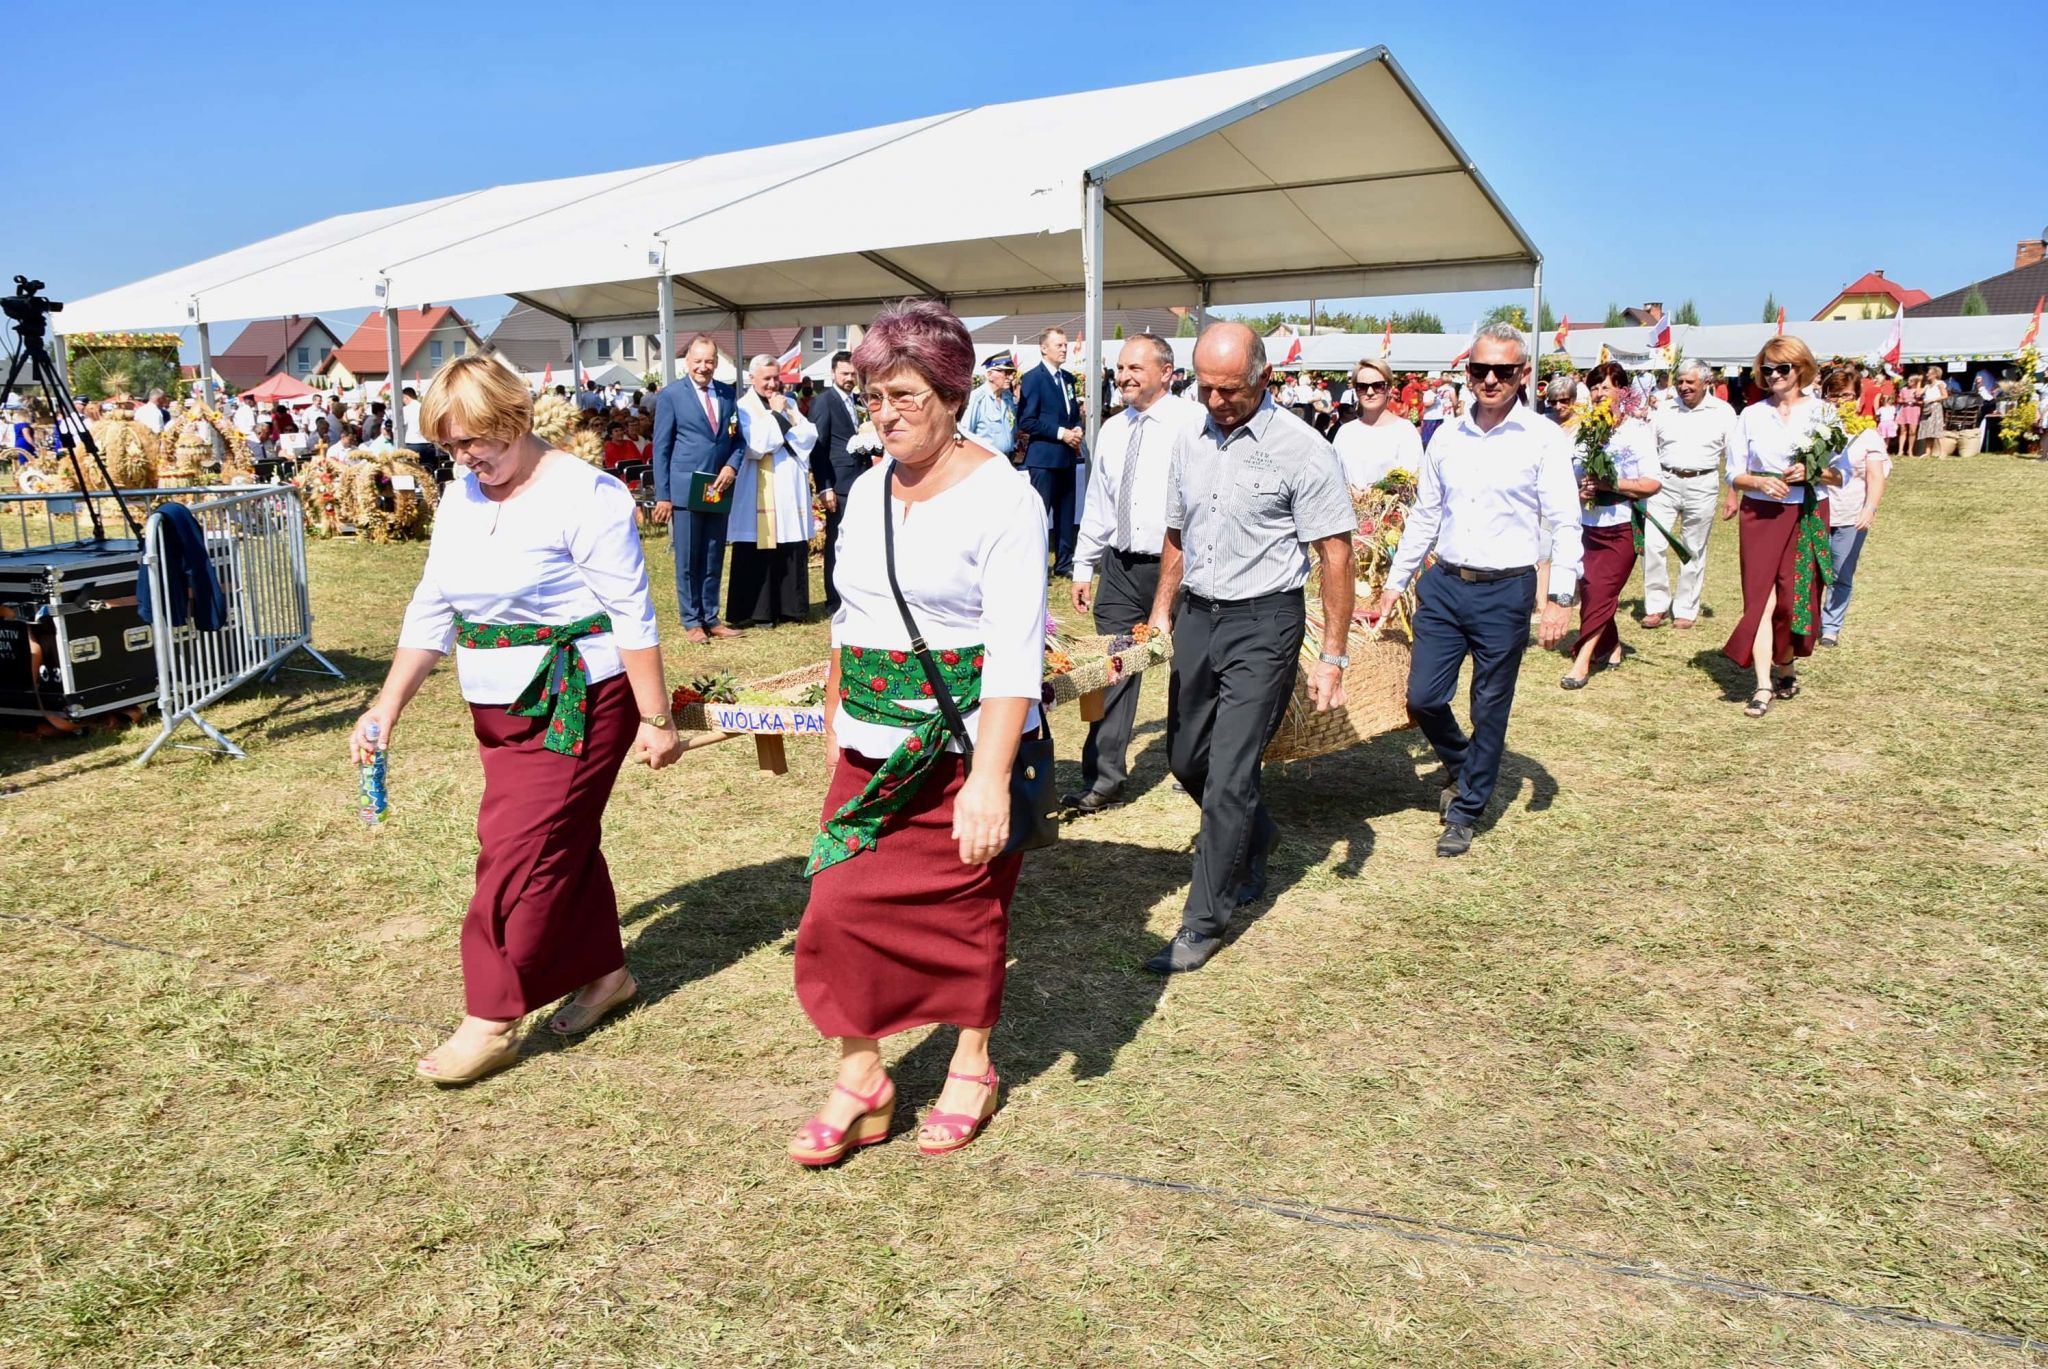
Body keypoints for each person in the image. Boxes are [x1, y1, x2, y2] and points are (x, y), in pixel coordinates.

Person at [350, 355, 681, 1086]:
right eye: (452, 447)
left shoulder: (586, 494)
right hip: (498, 707)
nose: (467, 459)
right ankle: (606, 974)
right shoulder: (462, 497)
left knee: (514, 855)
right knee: (558, 840)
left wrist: (655, 717)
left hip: (580, 700)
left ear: (519, 419)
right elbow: (433, 604)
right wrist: (386, 705)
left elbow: (634, 612)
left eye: (478, 442)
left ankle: (492, 1016)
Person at [789, 300, 1046, 1165]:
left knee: (970, 911)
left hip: (964, 746)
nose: (886, 413)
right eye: (872, 396)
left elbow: (1014, 651)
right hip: (869, 743)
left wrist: (989, 779)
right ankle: (863, 1074)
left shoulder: (1005, 497)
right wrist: (836, 714)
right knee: (833, 907)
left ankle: (971, 1063)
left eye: (905, 395)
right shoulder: (864, 490)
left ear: (953, 394)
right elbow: (847, 614)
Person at [1143, 322, 1355, 973]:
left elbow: (1335, 555)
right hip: (1200, 617)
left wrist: (1333, 656)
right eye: (1204, 387)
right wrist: (1161, 608)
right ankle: (1258, 835)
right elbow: (1178, 531)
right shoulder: (1190, 438)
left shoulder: (1303, 449)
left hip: (1265, 623)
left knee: (1232, 772)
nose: (1215, 401)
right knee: (1186, 760)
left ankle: (1203, 921)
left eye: (1229, 391)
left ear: (1266, 378)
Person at [1376, 322, 1581, 858]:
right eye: (1479, 369)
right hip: (1443, 585)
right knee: (1422, 697)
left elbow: (1565, 522)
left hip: (1506, 590)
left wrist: (1560, 597)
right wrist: (1393, 586)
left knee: (1490, 705)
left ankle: (1466, 807)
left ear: (1523, 374)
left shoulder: (1542, 438)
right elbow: (1425, 516)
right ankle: (1466, 763)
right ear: (1466, 372)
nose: (1490, 380)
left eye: (1503, 371)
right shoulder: (1445, 434)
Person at [1064, 334, 1205, 814]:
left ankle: (1192, 766)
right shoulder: (1113, 429)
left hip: (1182, 564)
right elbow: (1100, 503)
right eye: (1120, 368)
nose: (1123, 377)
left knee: (1187, 671)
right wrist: (1084, 564)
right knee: (1111, 668)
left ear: (1167, 372)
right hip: (1121, 568)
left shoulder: (1194, 424)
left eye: (1134, 368)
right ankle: (1103, 780)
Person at [1719, 336, 1852, 717]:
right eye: (1767, 369)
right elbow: (1734, 473)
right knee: (1760, 600)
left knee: (1797, 599)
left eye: (1782, 368)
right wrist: (1759, 482)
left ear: (1801, 369)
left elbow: (1841, 475)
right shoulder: (1751, 415)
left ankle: (1787, 662)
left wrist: (1814, 471)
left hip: (1807, 513)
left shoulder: (1825, 414)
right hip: (1760, 515)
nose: (1774, 375)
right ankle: (1763, 684)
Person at [1560, 362, 1661, 689]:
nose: (1599, 393)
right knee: (1590, 590)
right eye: (1594, 387)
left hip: (1621, 524)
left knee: (1602, 590)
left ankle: (1582, 661)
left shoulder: (1636, 431)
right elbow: (1573, 474)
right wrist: (1582, 488)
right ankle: (1611, 645)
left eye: (1605, 386)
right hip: (1588, 525)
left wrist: (1611, 483)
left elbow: (1652, 482)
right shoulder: (1584, 430)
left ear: (1622, 390)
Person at [650, 334, 744, 642]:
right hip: (684, 488)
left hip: (717, 486)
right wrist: (663, 496)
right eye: (698, 361)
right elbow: (660, 448)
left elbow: (738, 438)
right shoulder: (671, 395)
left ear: (717, 362)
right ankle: (692, 621)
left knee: (713, 553)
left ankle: (711, 616)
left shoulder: (728, 394)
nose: (704, 367)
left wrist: (731, 466)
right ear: (687, 361)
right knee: (688, 557)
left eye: (710, 361)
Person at [1641, 356, 1740, 630]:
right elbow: (1649, 449)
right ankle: (1656, 605)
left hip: (1702, 483)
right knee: (1653, 544)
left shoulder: (1723, 412)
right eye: (1680, 381)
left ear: (1707, 382)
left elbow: (1733, 457)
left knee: (1693, 548)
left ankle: (1685, 608)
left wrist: (1732, 494)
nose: (1683, 387)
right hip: (1665, 482)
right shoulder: (1664, 410)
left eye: (1690, 382)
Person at [725, 355, 817, 627]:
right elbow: (756, 444)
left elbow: (809, 435)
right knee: (758, 548)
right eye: (767, 379)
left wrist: (780, 425)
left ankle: (791, 608)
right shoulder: (743, 406)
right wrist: (779, 420)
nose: (773, 384)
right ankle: (758, 611)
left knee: (789, 543)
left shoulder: (789, 402)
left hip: (788, 484)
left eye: (776, 378)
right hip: (758, 487)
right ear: (752, 378)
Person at [1817, 365, 1889, 647]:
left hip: (1850, 514)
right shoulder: (1816, 431)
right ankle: (1808, 622)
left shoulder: (1867, 435)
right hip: (1817, 510)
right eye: (1833, 395)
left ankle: (1831, 626)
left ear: (1858, 398)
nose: (1840, 402)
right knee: (1813, 568)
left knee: (1839, 570)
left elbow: (1875, 475)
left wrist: (1869, 509)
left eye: (1846, 395)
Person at [1016, 327, 1086, 578]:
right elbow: (1027, 420)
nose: (1064, 349)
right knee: (1039, 514)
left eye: (1066, 345)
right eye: (1059, 345)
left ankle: (1064, 563)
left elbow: (1073, 414)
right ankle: (1034, 562)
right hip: (1044, 458)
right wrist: (1061, 433)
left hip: (1066, 456)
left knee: (1067, 512)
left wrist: (1077, 428)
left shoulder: (1068, 378)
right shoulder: (1034, 378)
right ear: (1044, 348)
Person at [809, 349, 866, 613]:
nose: (849, 378)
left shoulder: (856, 401)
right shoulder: (824, 401)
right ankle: (834, 599)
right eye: (845, 373)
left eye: (853, 373)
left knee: (855, 541)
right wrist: (825, 486)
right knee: (835, 542)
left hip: (858, 479)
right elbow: (818, 446)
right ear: (832, 373)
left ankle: (853, 594)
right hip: (838, 483)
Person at [1331, 357, 1423, 489]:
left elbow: (1412, 480)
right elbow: (1334, 478)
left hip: (1392, 507)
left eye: (1378, 386)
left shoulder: (1405, 431)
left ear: (1389, 389)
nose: (1369, 392)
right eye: (1362, 387)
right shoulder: (1345, 432)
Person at [962, 352, 1019, 462]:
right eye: (1006, 373)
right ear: (990, 375)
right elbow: (966, 434)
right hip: (985, 462)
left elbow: (1013, 429)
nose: (1011, 377)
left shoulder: (1008, 398)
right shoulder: (977, 399)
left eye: (1012, 372)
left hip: (1008, 460)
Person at [402, 386, 433, 461]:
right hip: (428, 444)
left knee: (413, 470)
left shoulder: (406, 409)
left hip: (413, 444)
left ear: (406, 397)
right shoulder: (425, 407)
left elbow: (401, 425)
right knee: (428, 469)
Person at [1895, 375, 1922, 458]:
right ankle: (1900, 450)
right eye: (1909, 381)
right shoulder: (1904, 389)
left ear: (1915, 382)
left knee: (1912, 431)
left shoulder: (1919, 390)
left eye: (1911, 381)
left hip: (1914, 410)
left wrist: (1915, 402)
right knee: (1903, 430)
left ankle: (1910, 450)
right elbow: (1899, 399)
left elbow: (1920, 399)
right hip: (1905, 410)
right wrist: (1904, 401)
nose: (1909, 382)